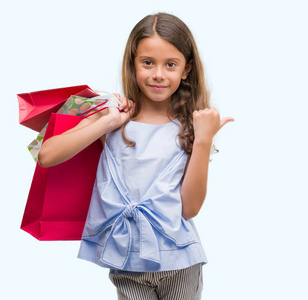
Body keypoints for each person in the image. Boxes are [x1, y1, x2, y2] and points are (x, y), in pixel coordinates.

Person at [38, 12, 233, 300]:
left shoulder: (191, 126)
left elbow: (189, 209)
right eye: (148, 63)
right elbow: (47, 155)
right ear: (133, 63)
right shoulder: (113, 115)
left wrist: (203, 140)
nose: (158, 74)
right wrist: (106, 123)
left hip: (180, 263)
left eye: (170, 64)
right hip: (125, 263)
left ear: (186, 69)